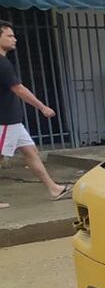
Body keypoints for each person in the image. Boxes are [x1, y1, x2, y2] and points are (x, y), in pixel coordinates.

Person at [0, 20, 69, 209]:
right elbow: (19, 89)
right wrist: (42, 107)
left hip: (13, 120)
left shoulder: (4, 62)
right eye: (9, 36)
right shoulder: (2, 64)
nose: (14, 39)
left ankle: (53, 189)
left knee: (31, 152)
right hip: (5, 120)